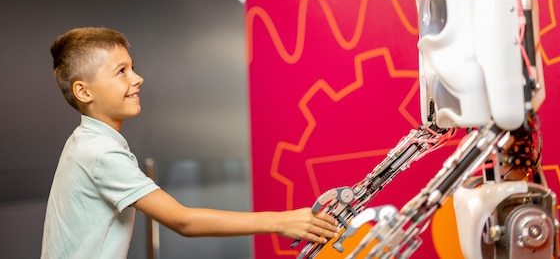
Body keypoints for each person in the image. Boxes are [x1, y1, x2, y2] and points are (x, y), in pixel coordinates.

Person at [41, 26, 338, 259]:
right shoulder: (101, 153)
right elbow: (183, 221)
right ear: (83, 91)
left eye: (132, 67)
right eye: (121, 72)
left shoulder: (86, 142)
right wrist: (282, 222)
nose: (138, 78)